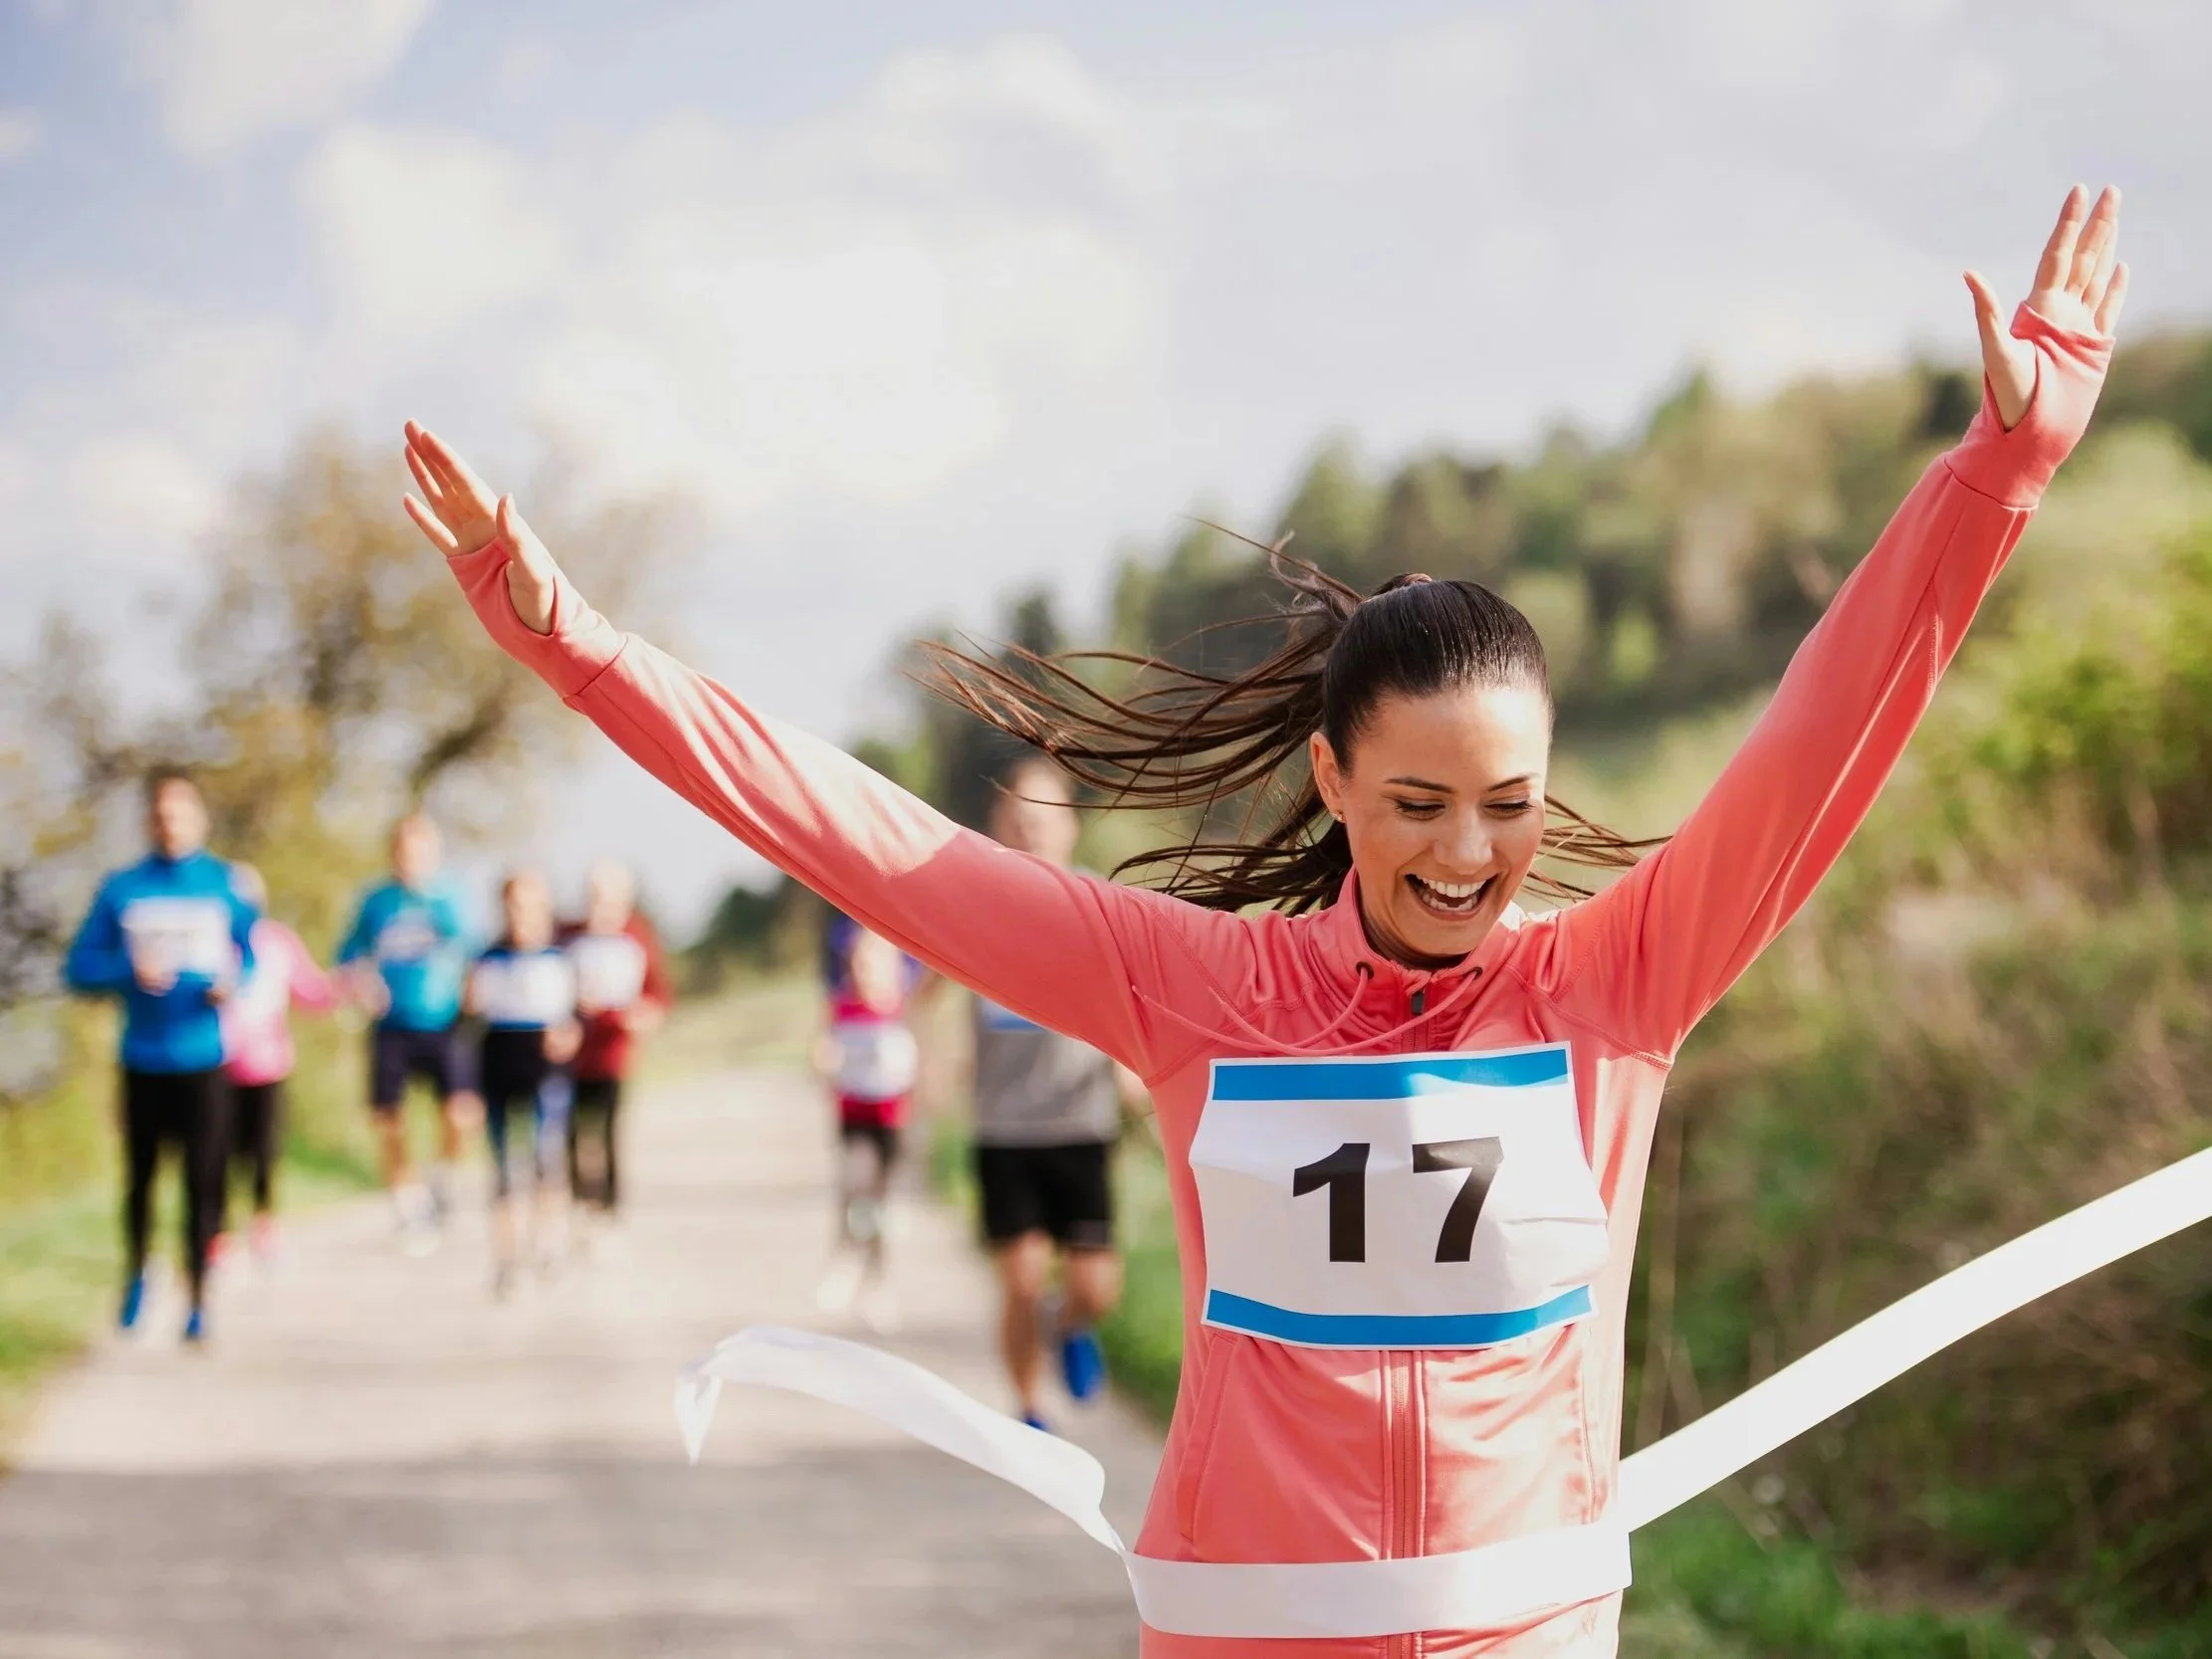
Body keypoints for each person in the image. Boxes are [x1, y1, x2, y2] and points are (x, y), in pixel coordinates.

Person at [402, 187, 2125, 1655]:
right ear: (1330, 778)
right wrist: (576, 644)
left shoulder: (1616, 987)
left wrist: (1996, 473)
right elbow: (861, 837)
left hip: (1519, 1623)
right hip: (1246, 1628)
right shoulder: (1194, 988)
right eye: (1417, 803)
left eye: (1511, 807)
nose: (1469, 855)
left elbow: (1822, 733)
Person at [971, 757, 1147, 1430]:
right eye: (1019, 819)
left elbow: (1132, 1000)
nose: (1032, 831)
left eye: (1043, 820)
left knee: (1094, 1285)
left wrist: (1133, 1068)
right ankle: (1027, 1409)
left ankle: (1071, 1323)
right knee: (1019, 1280)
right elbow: (920, 984)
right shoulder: (975, 906)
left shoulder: (1099, 905)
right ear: (999, 826)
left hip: (1080, 1122)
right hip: (1005, 1127)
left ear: (1070, 827)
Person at [64, 770, 258, 1344]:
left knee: (205, 1182)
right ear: (150, 821)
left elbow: (250, 951)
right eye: (161, 815)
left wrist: (232, 980)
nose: (170, 824)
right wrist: (129, 972)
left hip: (204, 1058)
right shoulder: (122, 889)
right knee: (141, 1180)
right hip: (143, 1057)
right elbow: (78, 969)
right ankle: (135, 1276)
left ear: (199, 819)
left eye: (181, 814)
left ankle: (199, 1296)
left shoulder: (224, 885)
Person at [335, 814, 475, 1249]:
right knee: (387, 1118)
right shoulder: (376, 902)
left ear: (433, 854)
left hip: (443, 1020)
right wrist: (360, 982)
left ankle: (443, 1178)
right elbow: (348, 954)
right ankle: (407, 1203)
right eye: (403, 851)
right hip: (391, 1024)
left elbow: (473, 950)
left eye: (420, 851)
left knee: (459, 1112)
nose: (411, 860)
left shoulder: (449, 898)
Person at [214, 864, 339, 1262]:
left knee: (263, 1150)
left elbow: (310, 991)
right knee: (218, 1150)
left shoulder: (278, 942)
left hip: (268, 1064)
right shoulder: (213, 942)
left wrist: (345, 986)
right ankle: (218, 1231)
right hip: (215, 1061)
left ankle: (263, 1222)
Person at [469, 869, 580, 1297]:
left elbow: (578, 1017)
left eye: (531, 906)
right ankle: (505, 1258)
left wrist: (569, 1033)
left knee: (545, 1158)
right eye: (514, 905)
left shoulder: (560, 958)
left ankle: (548, 1241)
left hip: (546, 1073)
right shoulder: (487, 959)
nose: (521, 915)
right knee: (501, 1169)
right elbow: (467, 1024)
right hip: (498, 1065)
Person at [811, 926, 920, 1330]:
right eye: (856, 962)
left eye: (871, 962)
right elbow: (824, 1049)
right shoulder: (842, 1006)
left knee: (882, 1207)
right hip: (853, 1114)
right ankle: (843, 1261)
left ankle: (878, 1284)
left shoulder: (902, 1008)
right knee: (854, 1188)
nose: (862, 969)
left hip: (891, 1119)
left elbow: (919, 1064)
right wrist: (823, 1061)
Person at [561, 860, 672, 1226]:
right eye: (593, 896)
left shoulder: (637, 937)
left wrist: (640, 1017)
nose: (599, 906)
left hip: (614, 1053)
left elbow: (658, 996)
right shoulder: (567, 935)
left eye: (608, 898)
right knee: (572, 1132)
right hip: (572, 1054)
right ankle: (579, 1199)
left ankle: (609, 1207)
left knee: (608, 1131)